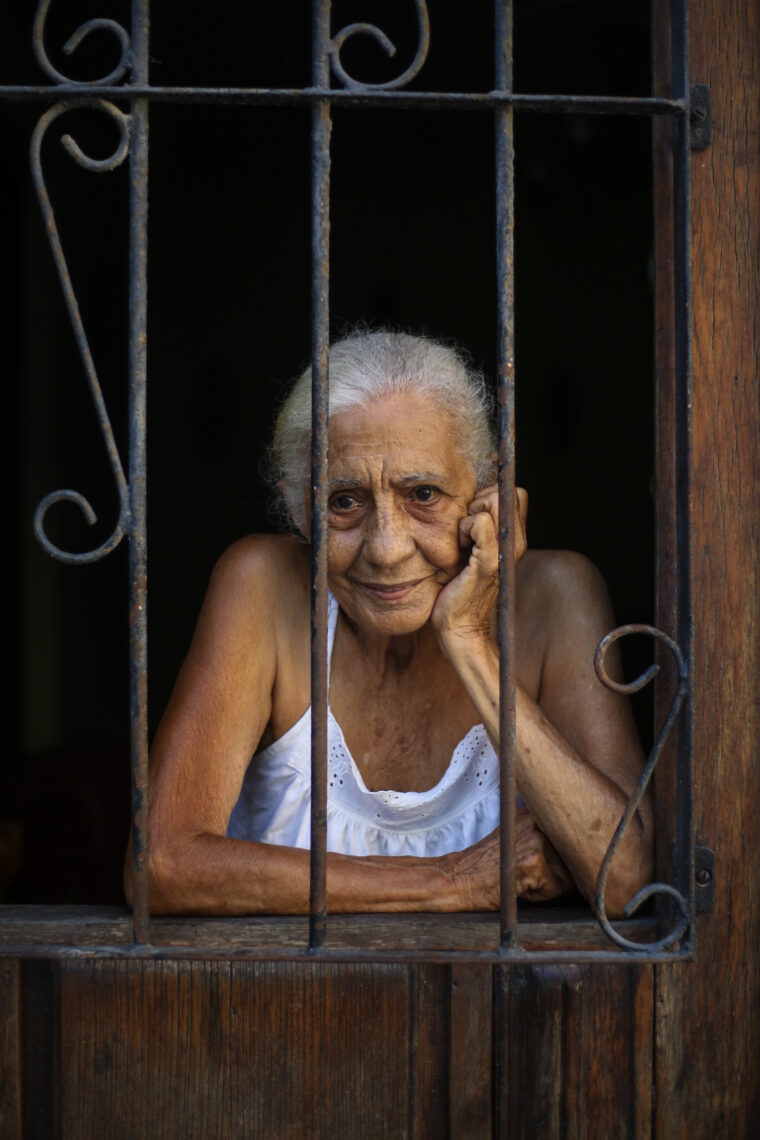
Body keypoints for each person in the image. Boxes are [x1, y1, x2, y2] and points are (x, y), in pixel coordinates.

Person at [125, 331, 652, 917]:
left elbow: (627, 879)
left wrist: (471, 642)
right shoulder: (263, 586)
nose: (386, 548)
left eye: (423, 494)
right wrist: (451, 881)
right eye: (344, 501)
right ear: (299, 507)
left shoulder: (555, 597)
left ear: (487, 492)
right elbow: (162, 864)